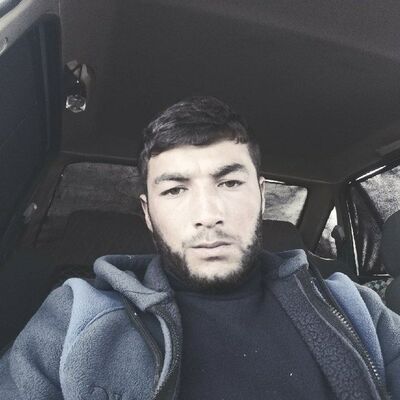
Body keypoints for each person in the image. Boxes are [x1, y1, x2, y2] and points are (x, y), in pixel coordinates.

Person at [0, 96, 399, 400]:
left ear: (261, 196)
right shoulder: (75, 316)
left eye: (230, 183)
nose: (208, 215)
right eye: (175, 190)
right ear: (148, 213)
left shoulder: (353, 307)